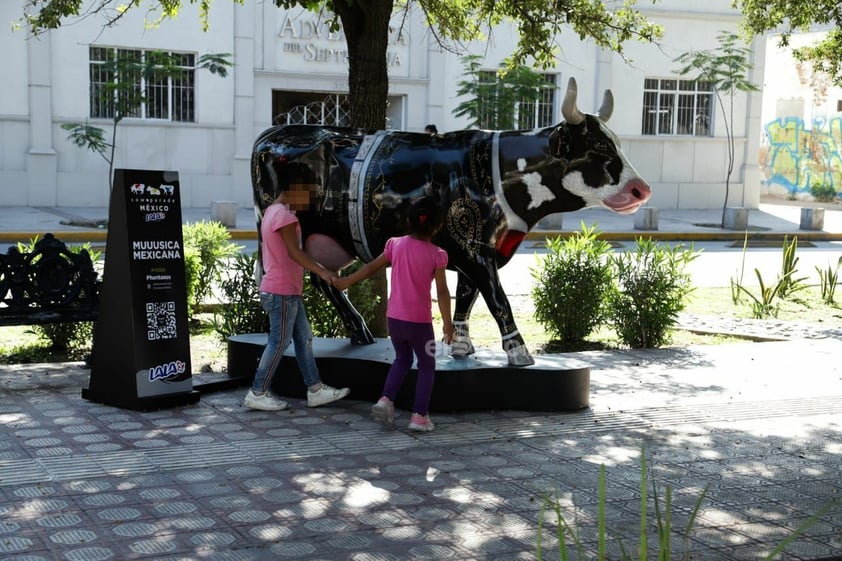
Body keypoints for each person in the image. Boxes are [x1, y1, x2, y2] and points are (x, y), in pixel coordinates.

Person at [333, 197, 454, 432]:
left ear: (408, 220)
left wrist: (346, 281)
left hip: (395, 320)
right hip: (420, 324)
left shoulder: (394, 245)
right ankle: (419, 417)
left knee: (402, 359)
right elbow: (442, 291)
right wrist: (448, 324)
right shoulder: (437, 254)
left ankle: (385, 400)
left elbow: (369, 268)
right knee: (427, 365)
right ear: (437, 226)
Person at [244, 183, 350, 411]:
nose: (309, 202)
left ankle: (315, 389)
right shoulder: (284, 216)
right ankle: (257, 392)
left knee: (304, 339)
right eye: (308, 195)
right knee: (279, 342)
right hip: (282, 290)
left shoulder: (272, 211)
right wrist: (323, 271)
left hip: (287, 290)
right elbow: (295, 252)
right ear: (294, 189)